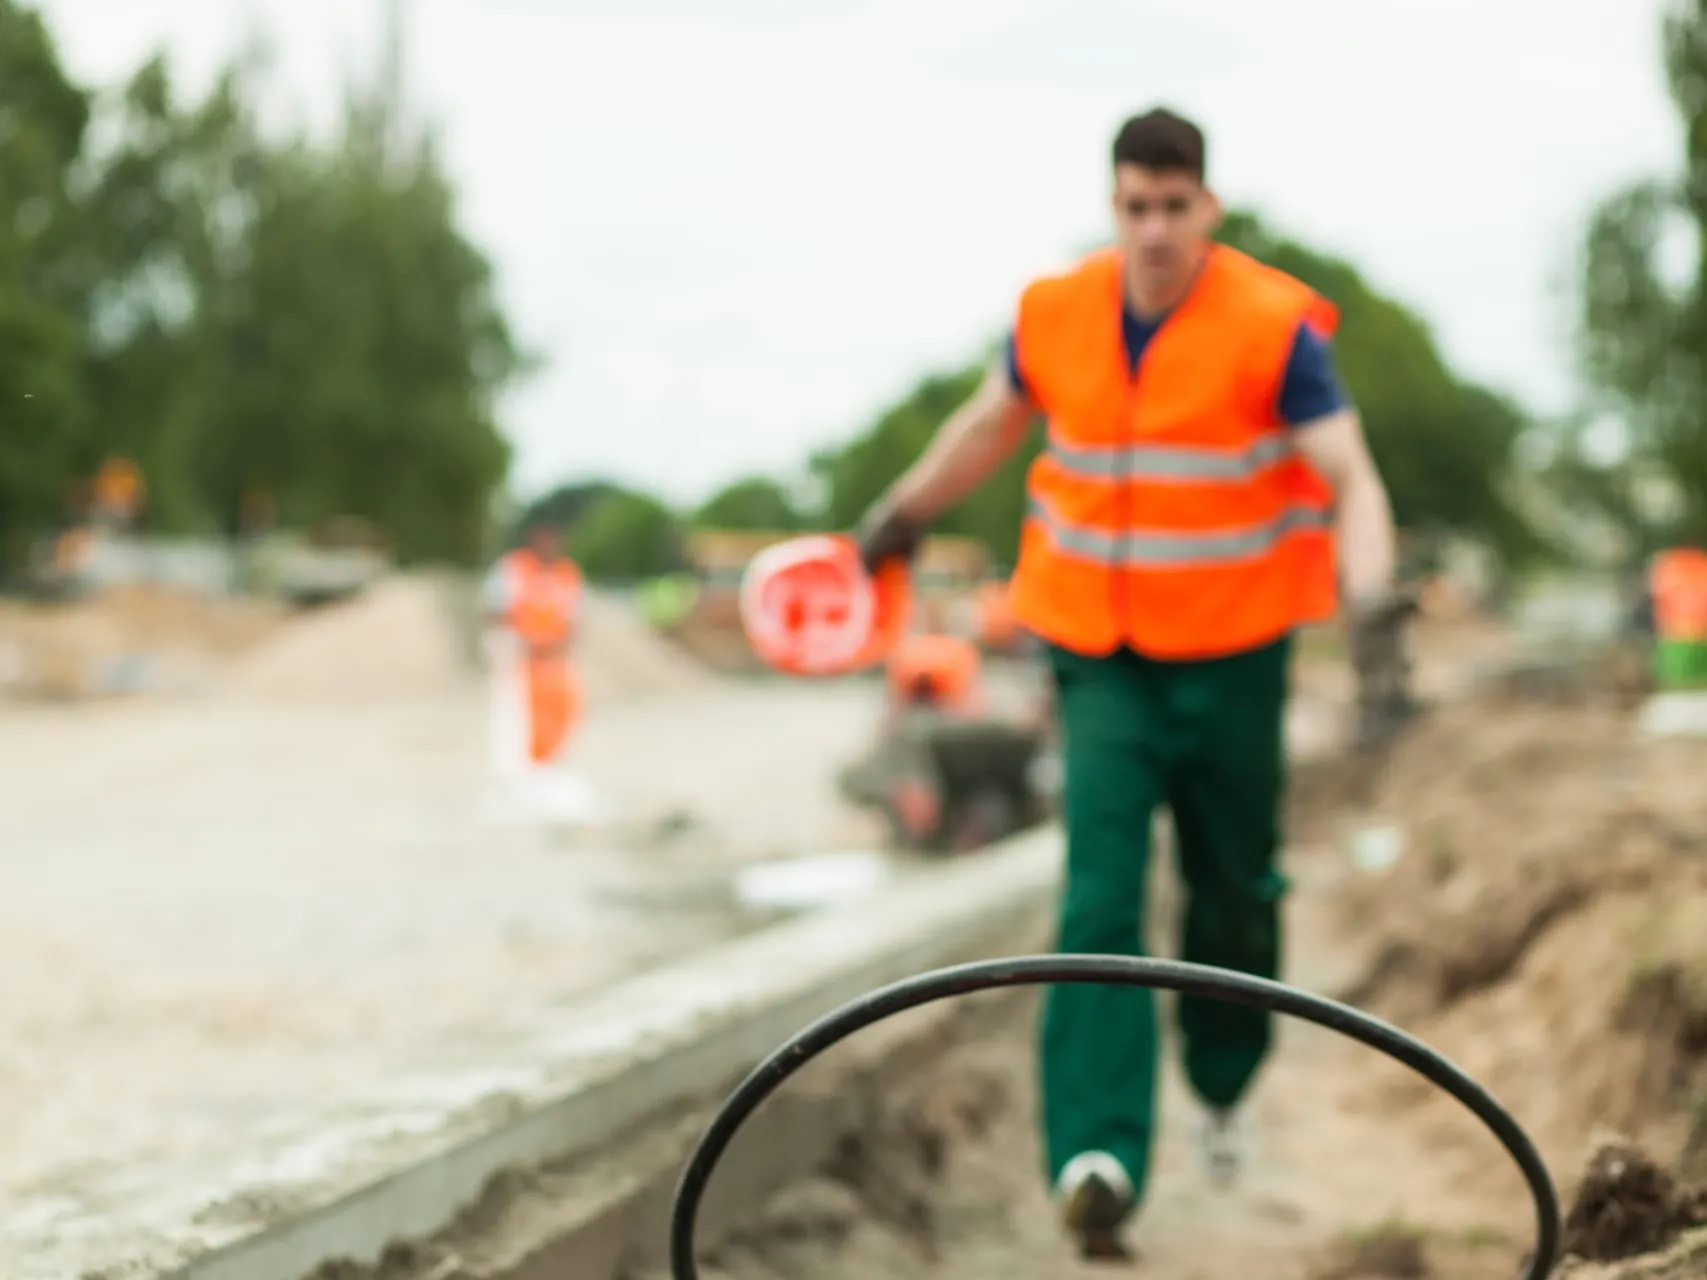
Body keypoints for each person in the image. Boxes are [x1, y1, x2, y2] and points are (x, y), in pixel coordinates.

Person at [853, 107, 1411, 1259]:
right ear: (1114, 206)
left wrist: (1373, 617)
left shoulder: (1273, 328)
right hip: (1097, 651)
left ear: (1207, 207)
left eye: (1174, 205)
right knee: (1099, 893)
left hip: (1234, 651)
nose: (1154, 227)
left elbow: (1350, 478)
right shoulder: (1057, 313)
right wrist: (903, 510)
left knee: (1232, 884)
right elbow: (986, 425)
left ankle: (1220, 1078)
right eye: (1134, 205)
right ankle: (1095, 1153)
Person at [480, 520, 596, 824]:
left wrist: (558, 644)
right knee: (519, 721)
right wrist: (519, 642)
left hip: (555, 661)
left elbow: (575, 618)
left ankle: (547, 769)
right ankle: (520, 779)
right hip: (521, 661)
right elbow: (495, 612)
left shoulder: (567, 574)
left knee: (561, 714)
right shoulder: (513, 569)